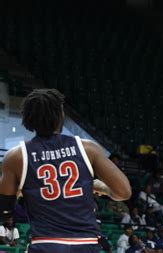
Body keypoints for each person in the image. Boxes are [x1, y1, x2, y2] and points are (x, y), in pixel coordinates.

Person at [0, 89, 132, 253]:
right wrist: (100, 186)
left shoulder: (16, 157)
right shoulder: (87, 148)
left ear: (28, 119)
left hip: (46, 243)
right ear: (60, 115)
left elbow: (5, 209)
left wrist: (20, 192)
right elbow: (124, 192)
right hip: (85, 244)